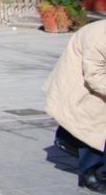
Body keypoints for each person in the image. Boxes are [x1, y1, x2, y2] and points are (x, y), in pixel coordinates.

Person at [44, 19, 106, 192]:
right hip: (81, 85)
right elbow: (94, 76)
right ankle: (91, 174)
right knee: (91, 124)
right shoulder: (98, 37)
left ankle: (66, 137)